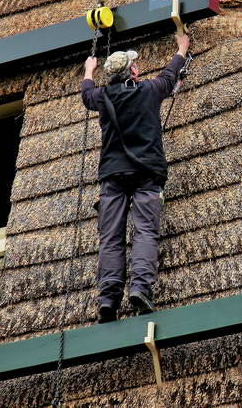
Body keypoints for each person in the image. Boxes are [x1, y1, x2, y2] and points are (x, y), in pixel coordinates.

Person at [81, 32, 190, 322]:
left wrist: (88, 71)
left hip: (113, 175)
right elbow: (170, 75)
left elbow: (86, 94)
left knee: (111, 238)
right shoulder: (149, 91)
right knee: (145, 231)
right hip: (147, 173)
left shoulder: (101, 97)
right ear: (133, 71)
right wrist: (181, 48)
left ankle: (108, 299)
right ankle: (140, 289)